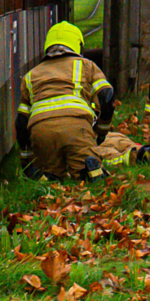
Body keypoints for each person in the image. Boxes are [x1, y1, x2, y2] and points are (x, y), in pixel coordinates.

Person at [15, 21, 117, 181]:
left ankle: (46, 176)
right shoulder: (87, 66)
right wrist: (101, 133)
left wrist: (26, 160)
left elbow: (21, 122)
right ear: (78, 46)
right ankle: (90, 172)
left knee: (50, 175)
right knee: (86, 170)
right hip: (76, 127)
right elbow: (107, 97)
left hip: (42, 132)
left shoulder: (30, 76)